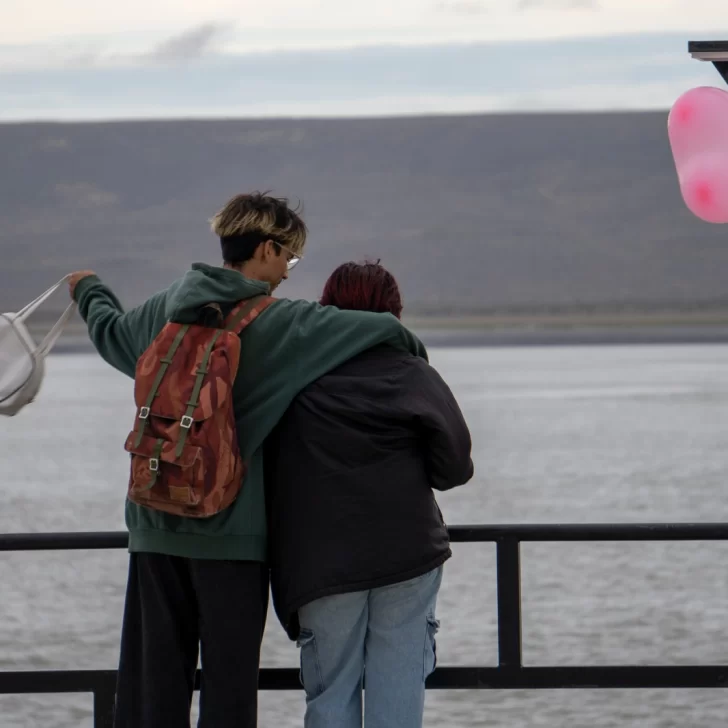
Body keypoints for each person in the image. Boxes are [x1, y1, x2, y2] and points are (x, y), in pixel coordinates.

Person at [67, 194, 427, 728]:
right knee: (228, 689)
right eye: (288, 258)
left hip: (153, 522)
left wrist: (87, 289)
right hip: (230, 533)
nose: (286, 273)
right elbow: (382, 331)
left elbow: (113, 335)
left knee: (152, 686)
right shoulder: (281, 324)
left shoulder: (166, 308)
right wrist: (414, 357)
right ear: (265, 248)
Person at [266, 261, 474, 728]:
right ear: (391, 312)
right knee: (398, 689)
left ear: (327, 309)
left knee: (331, 693)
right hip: (407, 553)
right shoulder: (412, 372)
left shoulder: (294, 378)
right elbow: (455, 468)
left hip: (321, 562)